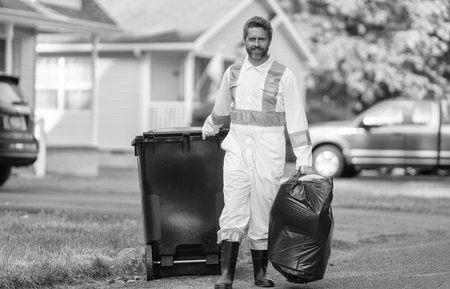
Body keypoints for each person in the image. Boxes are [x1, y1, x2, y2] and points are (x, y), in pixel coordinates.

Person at [202, 16, 313, 289]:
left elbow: (297, 121)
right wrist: (209, 127)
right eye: (251, 39)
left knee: (262, 212)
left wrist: (304, 159)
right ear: (245, 40)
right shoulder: (233, 73)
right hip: (237, 151)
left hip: (269, 155)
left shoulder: (284, 75)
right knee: (233, 208)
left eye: (261, 39)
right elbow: (221, 108)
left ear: (269, 41)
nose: (256, 44)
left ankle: (259, 274)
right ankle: (226, 275)